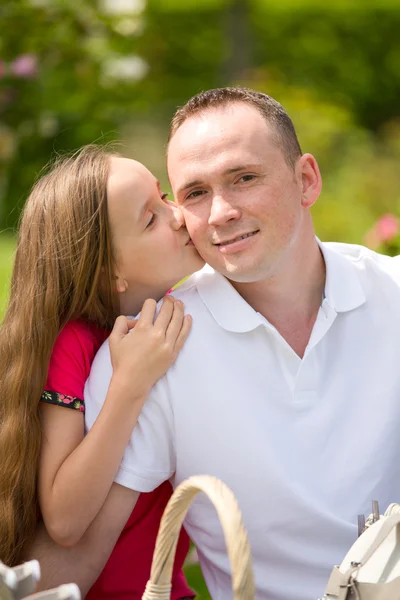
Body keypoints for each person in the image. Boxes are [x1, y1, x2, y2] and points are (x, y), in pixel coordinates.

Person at [83, 86, 400, 600]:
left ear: (306, 180)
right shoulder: (155, 350)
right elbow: (80, 550)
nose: (221, 212)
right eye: (194, 193)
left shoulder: (394, 293)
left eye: (244, 178)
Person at [0, 145, 204, 598]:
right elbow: (66, 521)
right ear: (112, 270)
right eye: (150, 219)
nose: (177, 216)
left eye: (164, 196)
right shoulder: (73, 344)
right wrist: (130, 384)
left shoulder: (192, 311)